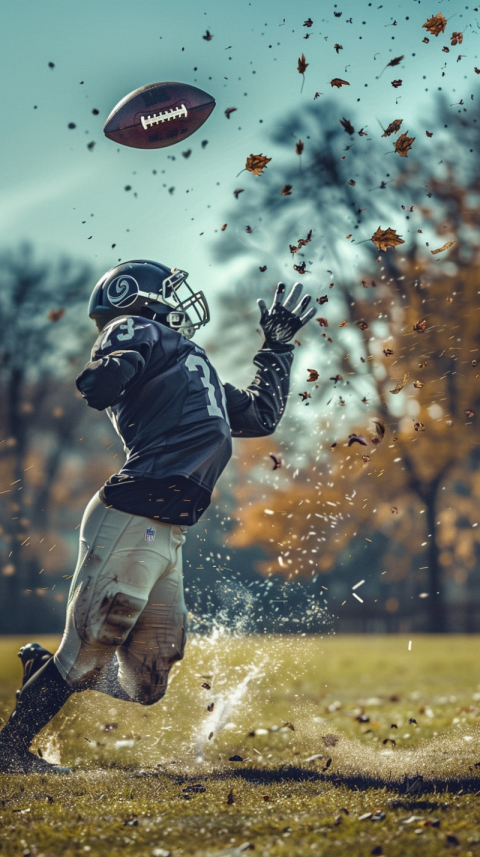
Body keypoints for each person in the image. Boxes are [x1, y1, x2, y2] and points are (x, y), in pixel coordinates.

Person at [0, 259, 315, 773]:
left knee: (147, 683)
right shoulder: (133, 329)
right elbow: (106, 373)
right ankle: (8, 751)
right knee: (91, 650)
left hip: (168, 530)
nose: (179, 300)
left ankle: (47, 670)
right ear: (134, 297)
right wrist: (111, 366)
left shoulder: (191, 362)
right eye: (169, 291)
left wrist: (276, 348)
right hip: (133, 510)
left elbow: (259, 416)